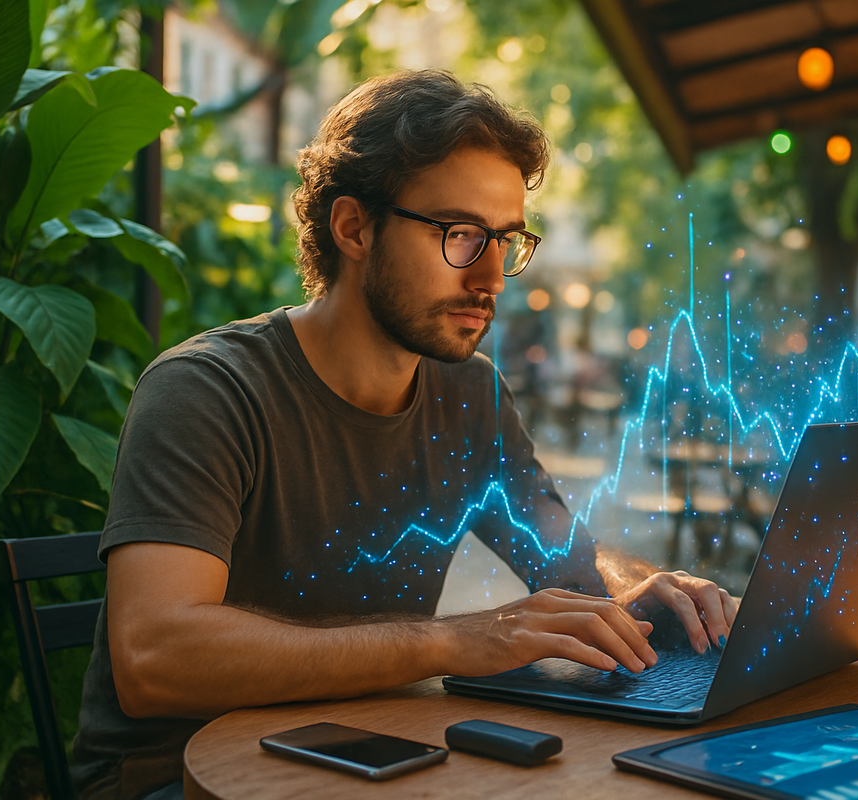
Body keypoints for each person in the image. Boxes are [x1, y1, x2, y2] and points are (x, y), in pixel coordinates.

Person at [71, 70, 737, 800]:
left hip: (373, 755)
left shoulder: (470, 393)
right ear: (353, 228)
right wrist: (455, 640)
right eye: (460, 235)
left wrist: (638, 590)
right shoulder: (207, 391)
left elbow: (561, 556)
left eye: (506, 240)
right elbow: (153, 660)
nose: (492, 277)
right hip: (182, 778)